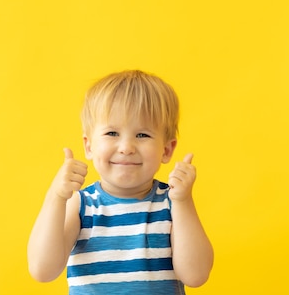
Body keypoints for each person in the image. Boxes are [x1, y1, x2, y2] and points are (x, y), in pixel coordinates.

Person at [28, 70, 213, 294]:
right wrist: (56, 197)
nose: (126, 148)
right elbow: (42, 270)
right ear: (89, 146)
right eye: (112, 133)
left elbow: (196, 275)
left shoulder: (171, 204)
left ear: (166, 149)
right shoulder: (81, 205)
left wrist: (184, 201)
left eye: (142, 135)